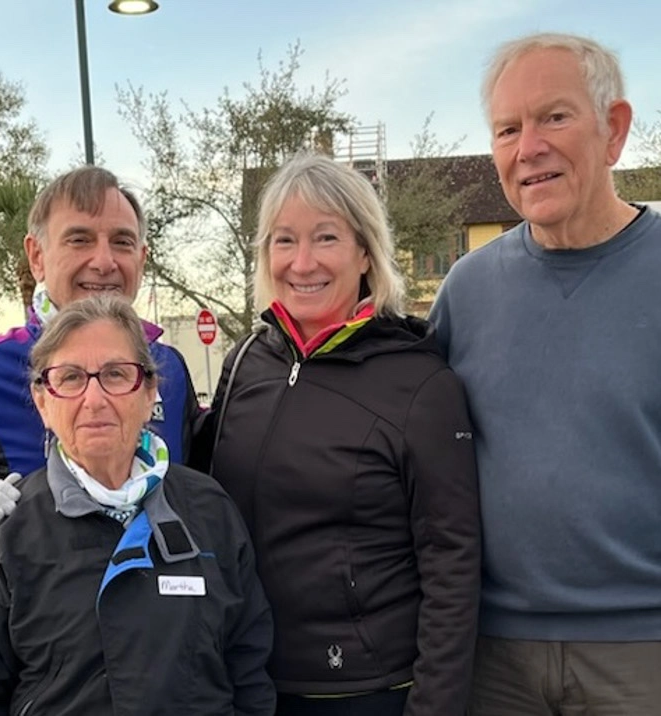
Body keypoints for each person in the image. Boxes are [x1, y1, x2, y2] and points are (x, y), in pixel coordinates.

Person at [429, 32, 661, 716]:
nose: (528, 146)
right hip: (490, 658)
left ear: (615, 129)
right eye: (508, 128)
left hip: (647, 655)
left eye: (554, 117)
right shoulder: (467, 291)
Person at [199, 151, 480, 716]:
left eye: (325, 238)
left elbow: (453, 561)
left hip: (365, 690)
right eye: (283, 240)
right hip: (247, 679)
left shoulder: (420, 381)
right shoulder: (248, 360)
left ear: (365, 252)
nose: (302, 263)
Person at [0, 295, 274, 715]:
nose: (94, 399)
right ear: (43, 402)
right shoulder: (2, 537)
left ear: (150, 391)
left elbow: (249, 671)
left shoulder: (210, 512)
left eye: (116, 374)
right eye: (71, 377)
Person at [0, 166, 198, 566]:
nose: (104, 261)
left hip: (162, 622)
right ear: (37, 256)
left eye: (122, 242)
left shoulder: (167, 368)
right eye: (79, 239)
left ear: (141, 259)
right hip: (28, 623)